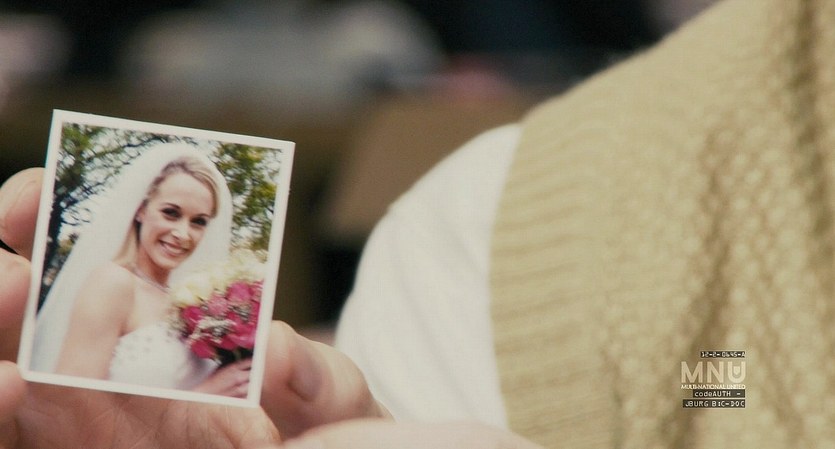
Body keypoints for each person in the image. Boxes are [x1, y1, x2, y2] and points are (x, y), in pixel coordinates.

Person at [2, 0, 831, 447]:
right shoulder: (482, 230)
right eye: (174, 213)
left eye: (200, 217)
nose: (185, 232)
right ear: (140, 210)